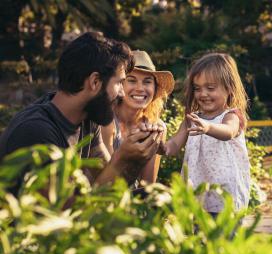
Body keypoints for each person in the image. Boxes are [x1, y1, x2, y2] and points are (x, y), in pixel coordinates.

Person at [0, 32, 163, 194]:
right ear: (95, 81)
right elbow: (72, 213)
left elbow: (108, 185)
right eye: (120, 82)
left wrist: (134, 160)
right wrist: (123, 159)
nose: (122, 93)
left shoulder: (88, 118)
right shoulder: (36, 132)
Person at [161, 53, 250, 217]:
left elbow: (228, 132)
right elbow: (173, 146)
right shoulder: (192, 119)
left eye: (210, 88)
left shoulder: (231, 116)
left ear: (229, 89)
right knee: (202, 239)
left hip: (226, 196)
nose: (203, 94)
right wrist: (161, 147)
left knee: (225, 239)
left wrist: (209, 127)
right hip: (198, 195)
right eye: (197, 88)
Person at [101, 50, 174, 183]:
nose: (140, 88)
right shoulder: (106, 122)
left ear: (155, 88)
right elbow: (103, 181)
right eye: (132, 81)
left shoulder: (156, 128)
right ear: (120, 85)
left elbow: (147, 184)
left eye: (147, 82)